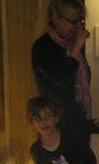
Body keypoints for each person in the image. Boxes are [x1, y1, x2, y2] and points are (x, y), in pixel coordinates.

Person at [31, 0, 91, 142]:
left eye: (81, 21)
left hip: (78, 121)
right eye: (73, 21)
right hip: (56, 124)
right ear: (56, 18)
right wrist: (76, 49)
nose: (78, 27)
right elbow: (62, 79)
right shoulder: (43, 46)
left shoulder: (71, 45)